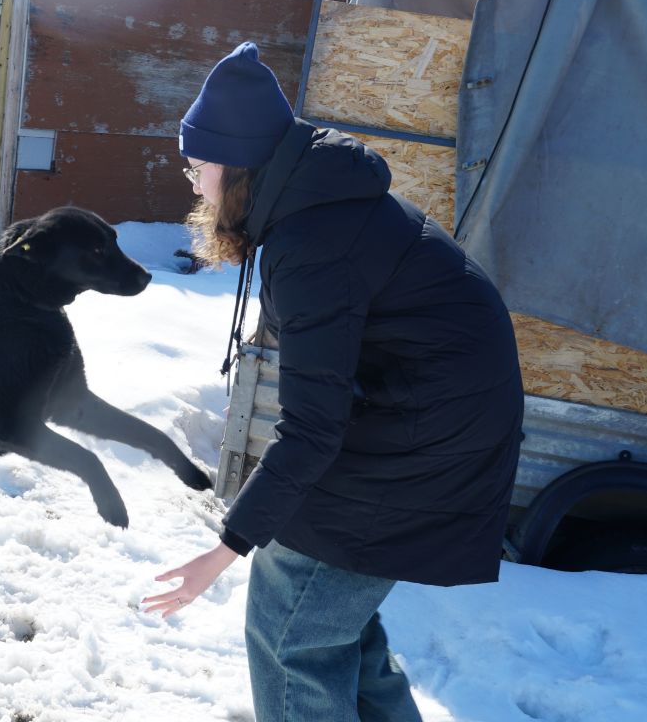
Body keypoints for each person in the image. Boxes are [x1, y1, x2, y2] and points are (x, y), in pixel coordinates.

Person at [140, 42, 524, 721]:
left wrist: (224, 548)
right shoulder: (317, 209)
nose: (194, 184)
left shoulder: (312, 243)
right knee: (329, 613)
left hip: (428, 442)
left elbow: (312, 428)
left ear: (236, 166)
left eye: (198, 166)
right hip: (421, 425)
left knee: (291, 620)